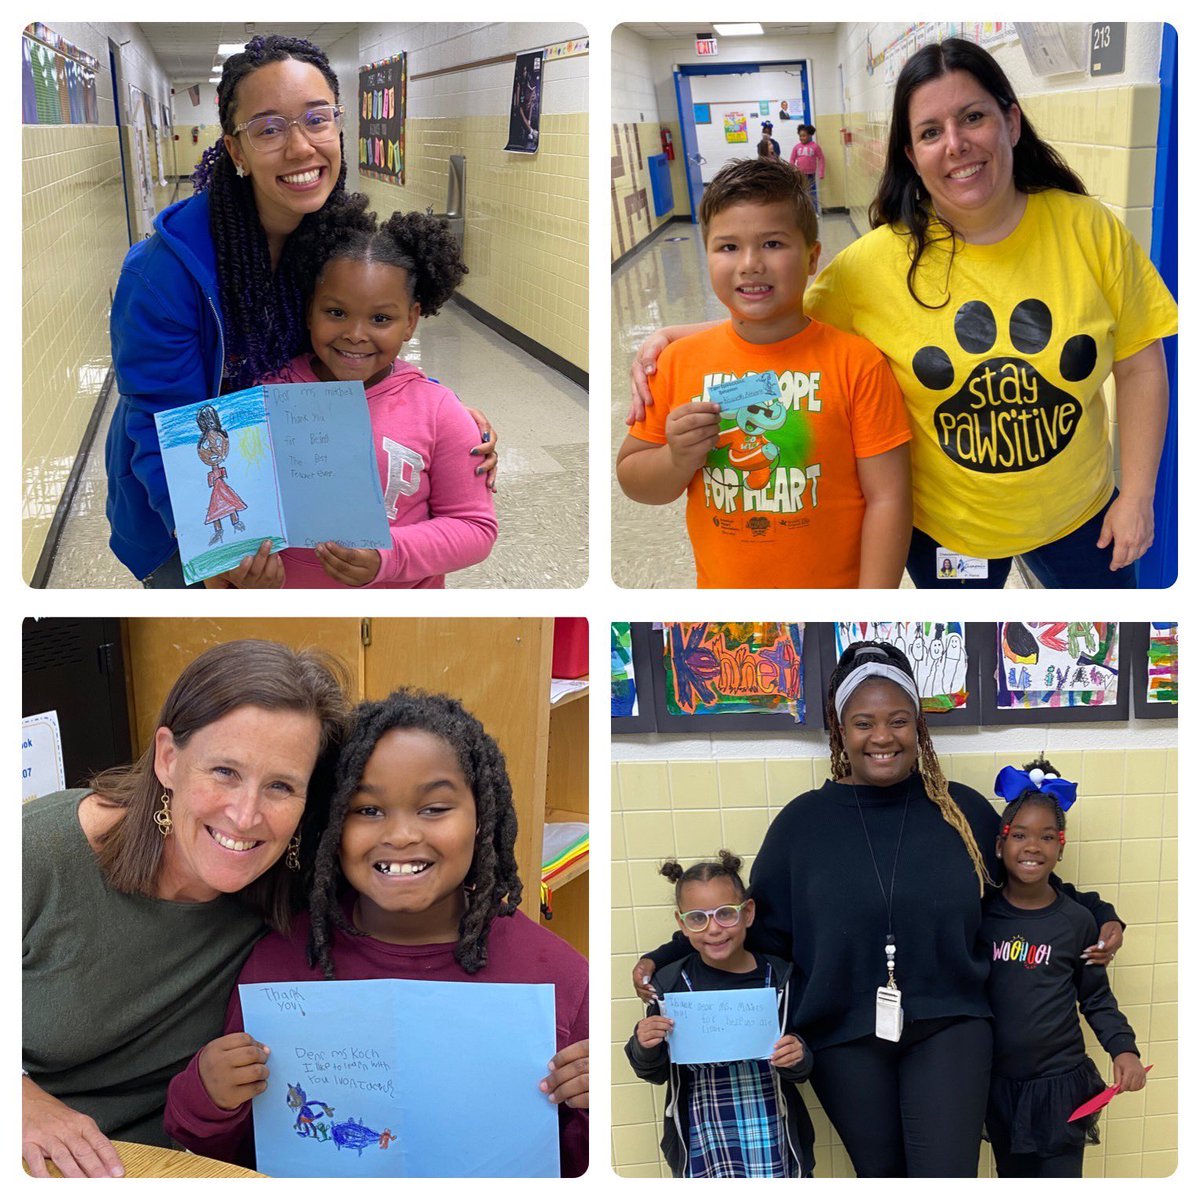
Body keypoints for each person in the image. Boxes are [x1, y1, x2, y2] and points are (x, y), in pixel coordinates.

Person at [629, 38, 1177, 589]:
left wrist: (1137, 495)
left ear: (1011, 122)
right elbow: (786, 326)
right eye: (931, 132)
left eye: (973, 117)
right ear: (912, 155)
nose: (956, 144)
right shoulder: (873, 265)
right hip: (946, 530)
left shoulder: (1089, 229)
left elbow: (1139, 363)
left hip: (1080, 513)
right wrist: (675, 337)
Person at [631, 641, 1126, 1177]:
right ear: (841, 731)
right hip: (844, 1035)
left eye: (899, 720)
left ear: (919, 728)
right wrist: (666, 953)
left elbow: (1027, 881)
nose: (883, 737)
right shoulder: (802, 826)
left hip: (950, 1024)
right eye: (864, 723)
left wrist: (1101, 912)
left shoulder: (962, 813)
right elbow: (754, 921)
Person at [105, 35, 498, 589]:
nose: (299, 148)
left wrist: (441, 410)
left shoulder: (338, 240)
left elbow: (354, 346)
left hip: (297, 499)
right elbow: (158, 422)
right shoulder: (161, 275)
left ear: (338, 126)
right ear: (235, 150)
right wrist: (210, 552)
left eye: (316, 119)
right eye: (268, 128)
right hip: (185, 506)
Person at [164, 689, 589, 1176]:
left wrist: (589, 1105)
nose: (402, 835)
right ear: (331, 826)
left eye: (434, 809)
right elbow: (230, 1158)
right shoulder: (281, 966)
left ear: (481, 819)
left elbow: (576, 1165)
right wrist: (207, 1093)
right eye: (367, 810)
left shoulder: (560, 980)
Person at [22, 640, 350, 1177]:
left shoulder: (295, 888)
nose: (245, 816)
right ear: (169, 759)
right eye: (224, 771)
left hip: (180, 1166)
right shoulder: (41, 852)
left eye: (281, 786)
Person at [615, 157, 913, 588]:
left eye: (772, 244)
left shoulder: (857, 364)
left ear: (813, 258)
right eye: (728, 247)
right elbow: (636, 482)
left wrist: (869, 607)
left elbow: (888, 498)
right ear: (707, 256)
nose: (750, 263)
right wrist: (676, 458)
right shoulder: (679, 362)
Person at [235, 207, 497, 588]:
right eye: (336, 312)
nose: (356, 334)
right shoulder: (262, 397)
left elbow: (475, 528)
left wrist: (388, 556)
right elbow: (231, 515)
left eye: (380, 319)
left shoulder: (439, 412)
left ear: (410, 321)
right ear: (310, 310)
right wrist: (240, 569)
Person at [983, 760, 1146, 1177]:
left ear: (1061, 847)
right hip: (999, 1087)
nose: (1032, 846)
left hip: (1061, 1085)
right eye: (1019, 835)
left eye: (1046, 837)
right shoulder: (980, 916)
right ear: (1000, 846)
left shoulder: (1077, 921)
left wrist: (1123, 1048)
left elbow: (1095, 997)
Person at [624, 852, 814, 1178]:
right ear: (682, 924)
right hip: (703, 1140)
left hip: (773, 1135)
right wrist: (645, 1043)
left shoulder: (781, 978)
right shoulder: (670, 986)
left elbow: (803, 1064)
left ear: (748, 913)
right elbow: (653, 1072)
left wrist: (798, 1055)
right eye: (698, 918)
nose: (714, 929)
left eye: (726, 913)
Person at [788, 124, 824, 214]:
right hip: (800, 174)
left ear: (809, 135)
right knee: (802, 193)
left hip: (811, 174)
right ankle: (803, 212)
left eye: (804, 136)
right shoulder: (796, 147)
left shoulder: (815, 146)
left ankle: (814, 212)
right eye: (800, 136)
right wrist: (792, 170)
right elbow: (792, 159)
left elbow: (821, 158)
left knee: (812, 193)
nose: (802, 138)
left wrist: (821, 172)